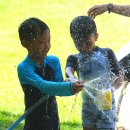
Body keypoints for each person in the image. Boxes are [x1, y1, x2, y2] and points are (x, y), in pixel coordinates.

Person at [17, 17, 84, 130]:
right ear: (26, 44)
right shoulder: (24, 68)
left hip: (52, 118)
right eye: (41, 42)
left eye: (49, 41)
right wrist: (69, 87)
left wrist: (70, 81)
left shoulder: (53, 61)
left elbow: (58, 85)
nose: (47, 46)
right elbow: (44, 86)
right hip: (34, 122)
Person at [65, 16, 123, 130]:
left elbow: (120, 74)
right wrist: (72, 77)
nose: (83, 48)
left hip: (106, 105)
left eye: (87, 43)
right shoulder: (74, 58)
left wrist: (113, 88)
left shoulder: (106, 53)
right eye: (78, 44)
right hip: (87, 107)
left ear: (96, 37)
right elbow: (69, 70)